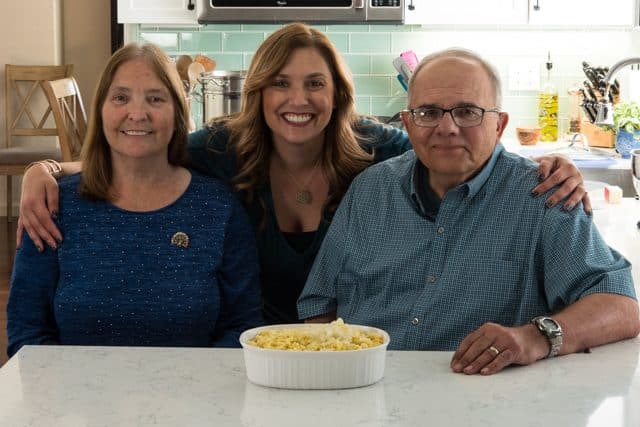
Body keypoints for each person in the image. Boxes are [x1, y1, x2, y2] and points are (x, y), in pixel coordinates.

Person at [18, 23, 589, 325]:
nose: (298, 99)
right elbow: (136, 151)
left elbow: (454, 144)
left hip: (344, 343)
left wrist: (543, 165)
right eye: (280, 84)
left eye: (314, 83)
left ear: (337, 94)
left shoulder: (377, 150)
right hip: (250, 340)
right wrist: (46, 170)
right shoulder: (222, 148)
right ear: (259, 94)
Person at [297, 48, 639, 375]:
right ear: (408, 123)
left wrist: (536, 336)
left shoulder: (544, 195)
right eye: (428, 113)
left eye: (467, 112)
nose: (446, 128)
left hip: (486, 401)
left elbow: (621, 307)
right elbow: (319, 307)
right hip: (366, 390)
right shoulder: (370, 190)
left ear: (499, 125)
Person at [6, 43, 262, 357]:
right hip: (75, 401)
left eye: (155, 98)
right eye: (121, 97)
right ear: (101, 110)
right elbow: (26, 332)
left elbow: (244, 327)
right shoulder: (54, 206)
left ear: (178, 113)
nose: (138, 114)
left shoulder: (219, 208)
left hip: (192, 398)